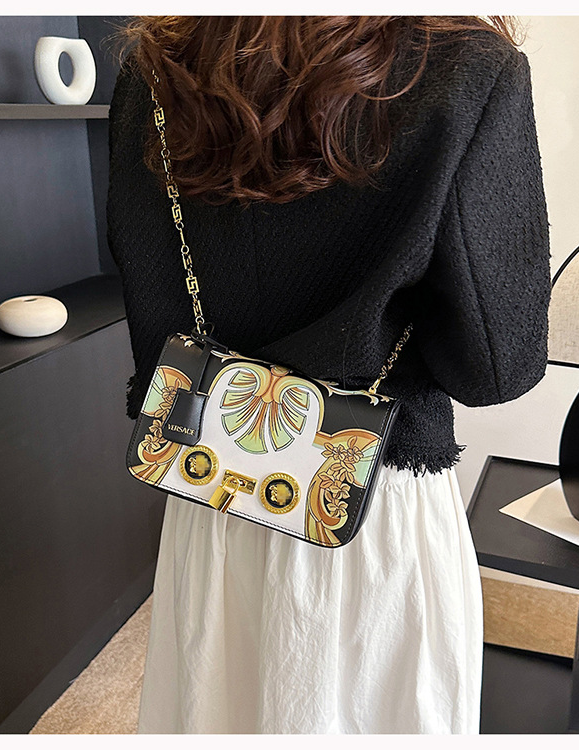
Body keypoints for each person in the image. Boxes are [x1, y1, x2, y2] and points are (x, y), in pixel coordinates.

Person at [106, 16, 551, 734]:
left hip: (213, 492)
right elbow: (496, 370)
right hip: (372, 506)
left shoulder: (156, 70)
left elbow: (151, 307)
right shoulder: (466, 66)